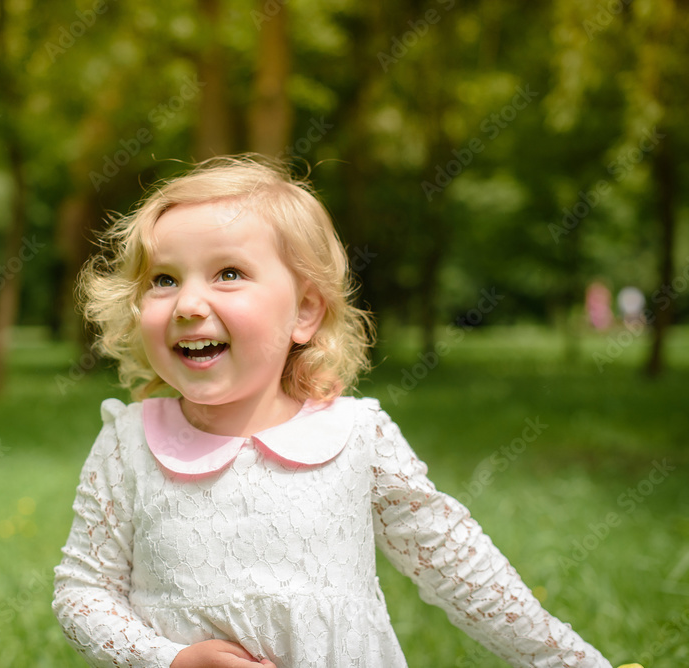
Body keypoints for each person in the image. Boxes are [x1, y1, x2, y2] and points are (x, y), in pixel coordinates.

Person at [52, 156, 612, 667]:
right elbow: (82, 592)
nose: (189, 304)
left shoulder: (355, 436)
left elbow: (458, 566)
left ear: (304, 311)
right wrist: (170, 660)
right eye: (164, 280)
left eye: (229, 274)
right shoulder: (130, 444)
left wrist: (573, 662)